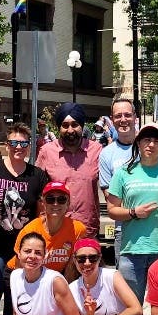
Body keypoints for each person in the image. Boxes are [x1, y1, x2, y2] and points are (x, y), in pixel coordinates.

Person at [106, 122, 158, 303]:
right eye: (147, 140)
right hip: (130, 251)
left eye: (156, 141)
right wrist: (134, 212)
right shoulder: (123, 173)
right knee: (131, 308)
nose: (151, 145)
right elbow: (112, 210)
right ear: (138, 143)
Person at [0, 122, 50, 315]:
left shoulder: (37, 175)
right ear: (6, 145)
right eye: (14, 143)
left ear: (29, 146)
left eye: (23, 143)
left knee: (16, 300)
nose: (18, 147)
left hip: (21, 249)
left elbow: (40, 214)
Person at [99, 98, 158, 259]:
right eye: (118, 116)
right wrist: (135, 212)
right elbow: (109, 195)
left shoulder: (155, 146)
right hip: (124, 231)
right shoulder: (106, 154)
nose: (123, 120)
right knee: (127, 283)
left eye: (127, 115)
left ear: (135, 117)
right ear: (112, 119)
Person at [35, 102, 103, 238]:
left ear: (82, 126)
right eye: (65, 125)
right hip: (54, 229)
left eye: (75, 124)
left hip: (86, 229)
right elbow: (38, 191)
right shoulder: (47, 152)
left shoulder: (97, 150)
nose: (70, 130)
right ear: (59, 127)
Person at [5, 181, 86, 281]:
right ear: (43, 203)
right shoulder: (29, 230)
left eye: (61, 199)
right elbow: (19, 267)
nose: (55, 204)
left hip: (53, 278)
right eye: (50, 199)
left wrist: (66, 287)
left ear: (68, 204)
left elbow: (71, 265)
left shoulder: (78, 230)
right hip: (21, 274)